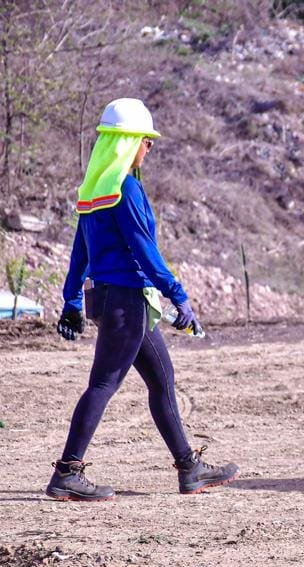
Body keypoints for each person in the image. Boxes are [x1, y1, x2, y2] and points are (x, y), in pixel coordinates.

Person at [48, 98, 237, 501]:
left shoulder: (93, 190)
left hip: (107, 299)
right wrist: (179, 296)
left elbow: (80, 254)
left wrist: (72, 301)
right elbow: (144, 250)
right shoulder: (126, 188)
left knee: (161, 379)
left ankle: (189, 467)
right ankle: (67, 472)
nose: (149, 148)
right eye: (146, 141)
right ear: (130, 142)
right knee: (103, 384)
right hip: (127, 302)